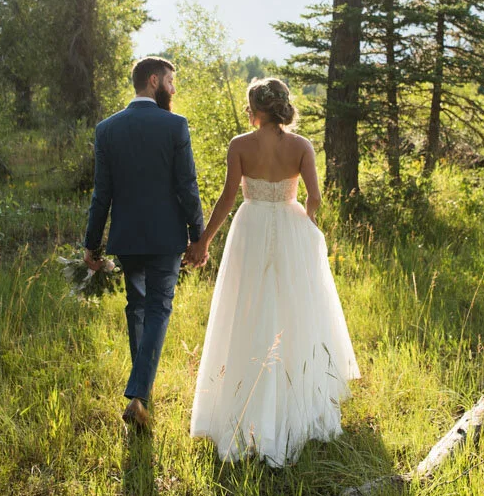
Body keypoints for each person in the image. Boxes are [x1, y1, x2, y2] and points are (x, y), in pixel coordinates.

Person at [189, 77, 360, 466]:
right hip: (289, 226)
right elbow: (314, 197)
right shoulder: (301, 146)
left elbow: (228, 197)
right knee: (292, 311)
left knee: (246, 307)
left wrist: (204, 241)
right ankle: (290, 399)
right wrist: (307, 223)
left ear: (255, 109)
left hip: (249, 227)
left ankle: (243, 402)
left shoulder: (240, 145)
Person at [84, 56, 209, 433]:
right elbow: (187, 185)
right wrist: (198, 235)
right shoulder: (175, 125)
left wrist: (92, 243)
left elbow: (101, 194)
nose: (173, 88)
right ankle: (139, 394)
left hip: (127, 237)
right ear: (153, 81)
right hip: (165, 236)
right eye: (170, 81)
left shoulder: (107, 129)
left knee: (137, 306)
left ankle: (141, 397)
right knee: (158, 308)